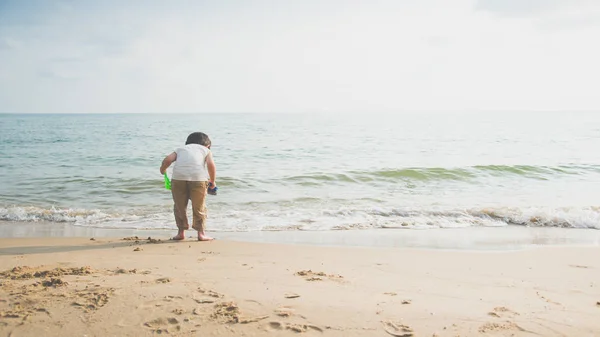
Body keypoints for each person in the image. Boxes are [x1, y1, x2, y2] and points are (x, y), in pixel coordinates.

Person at [160, 132, 217, 241]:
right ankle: (201, 234)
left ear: (187, 143)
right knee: (199, 207)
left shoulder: (180, 149)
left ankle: (181, 233)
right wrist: (213, 181)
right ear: (208, 145)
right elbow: (210, 164)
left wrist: (163, 170)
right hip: (198, 179)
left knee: (179, 206)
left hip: (178, 179)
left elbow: (167, 160)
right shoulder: (206, 150)